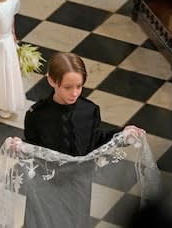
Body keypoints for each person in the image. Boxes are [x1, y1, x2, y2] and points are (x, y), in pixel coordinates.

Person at [21, 52, 146, 227]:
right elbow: (33, 150)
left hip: (78, 183)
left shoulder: (90, 110)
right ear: (52, 81)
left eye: (79, 86)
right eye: (68, 87)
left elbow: (94, 140)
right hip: (47, 185)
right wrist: (20, 146)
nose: (75, 93)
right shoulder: (36, 115)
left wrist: (122, 134)